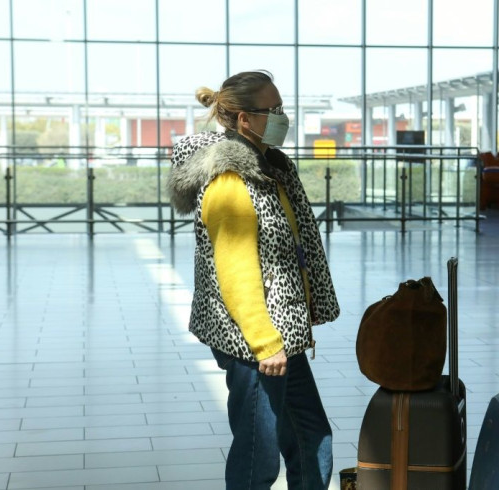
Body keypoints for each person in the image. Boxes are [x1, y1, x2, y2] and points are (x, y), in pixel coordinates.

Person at [167, 70, 340, 490]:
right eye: (274, 109)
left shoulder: (268, 167)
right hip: (254, 341)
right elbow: (235, 270)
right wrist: (265, 343)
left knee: (311, 437)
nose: (283, 115)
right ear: (245, 119)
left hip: (282, 333)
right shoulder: (230, 180)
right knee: (257, 455)